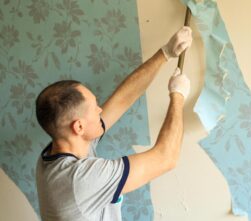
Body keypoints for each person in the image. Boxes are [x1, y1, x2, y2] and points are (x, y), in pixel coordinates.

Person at [35, 26, 192, 221]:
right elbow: (166, 157)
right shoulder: (81, 180)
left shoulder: (56, 152)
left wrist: (165, 53)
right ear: (79, 127)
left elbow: (121, 100)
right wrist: (178, 96)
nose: (101, 110)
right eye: (95, 108)